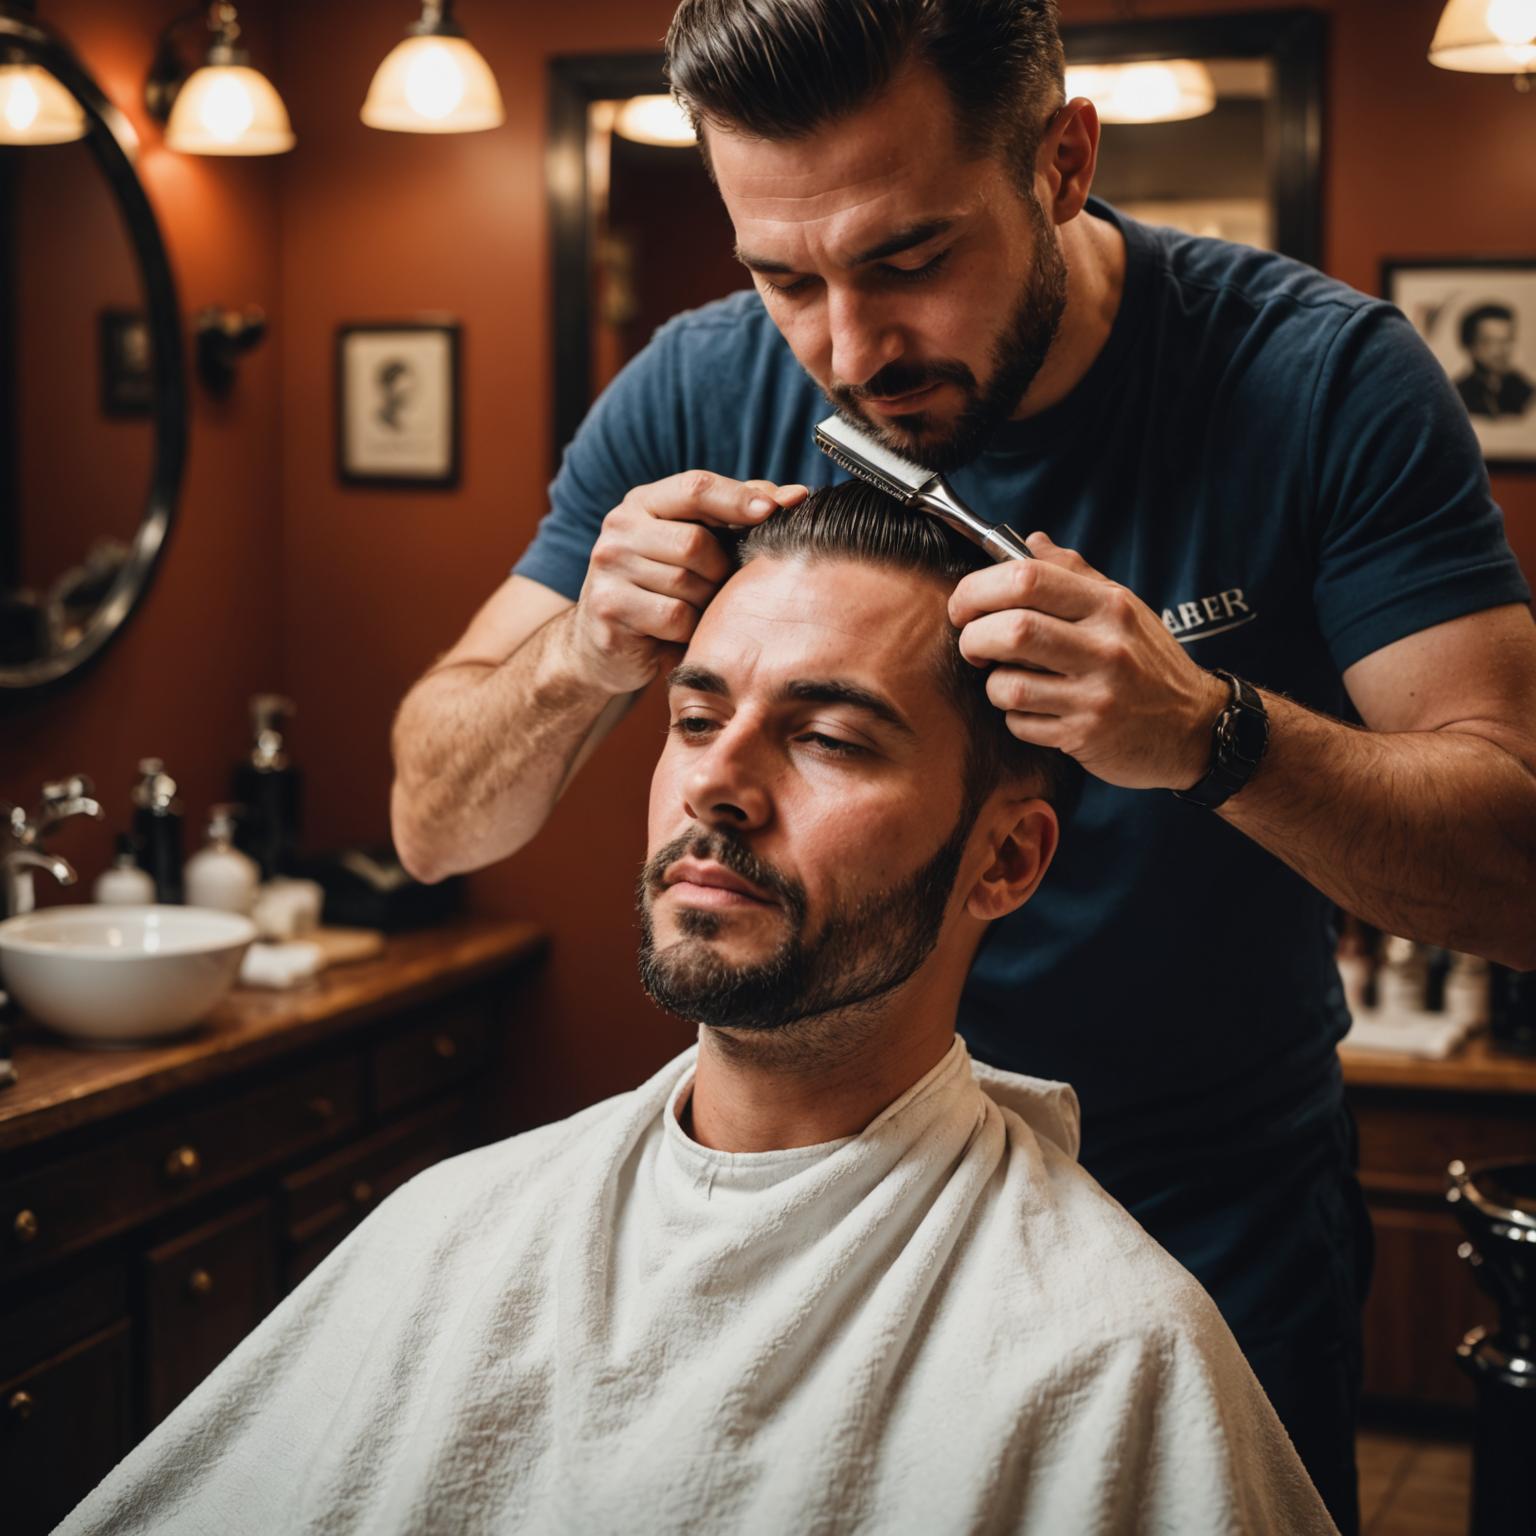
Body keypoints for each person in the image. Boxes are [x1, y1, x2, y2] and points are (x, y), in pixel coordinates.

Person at [388, 3, 1536, 1529]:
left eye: (909, 261)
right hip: (802, 1213)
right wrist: (582, 658)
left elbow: (1518, 873)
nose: (848, 351)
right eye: (784, 277)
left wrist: (1212, 732)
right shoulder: (690, 387)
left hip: (1204, 1208)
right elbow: (427, 821)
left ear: (1063, 162)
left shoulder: (1317, 380)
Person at [60, 486, 1338, 1536]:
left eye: (830, 738)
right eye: (695, 714)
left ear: (1004, 862)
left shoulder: (1109, 1358)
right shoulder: (452, 1229)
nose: (716, 784)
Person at [1454, 303, 1534, 420]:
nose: (1500, 351)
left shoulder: (1527, 392)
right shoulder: (1457, 394)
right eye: (1489, 342)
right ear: (1469, 345)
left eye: (1506, 340)